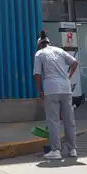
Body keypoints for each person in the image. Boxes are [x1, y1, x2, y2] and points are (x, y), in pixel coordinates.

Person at [33, 32, 79, 160]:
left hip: (51, 89)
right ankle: (72, 149)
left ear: (39, 45)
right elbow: (75, 63)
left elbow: (37, 74)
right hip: (66, 88)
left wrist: (40, 91)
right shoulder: (59, 50)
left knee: (53, 121)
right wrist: (68, 77)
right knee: (69, 120)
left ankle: (56, 151)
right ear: (49, 43)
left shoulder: (39, 54)